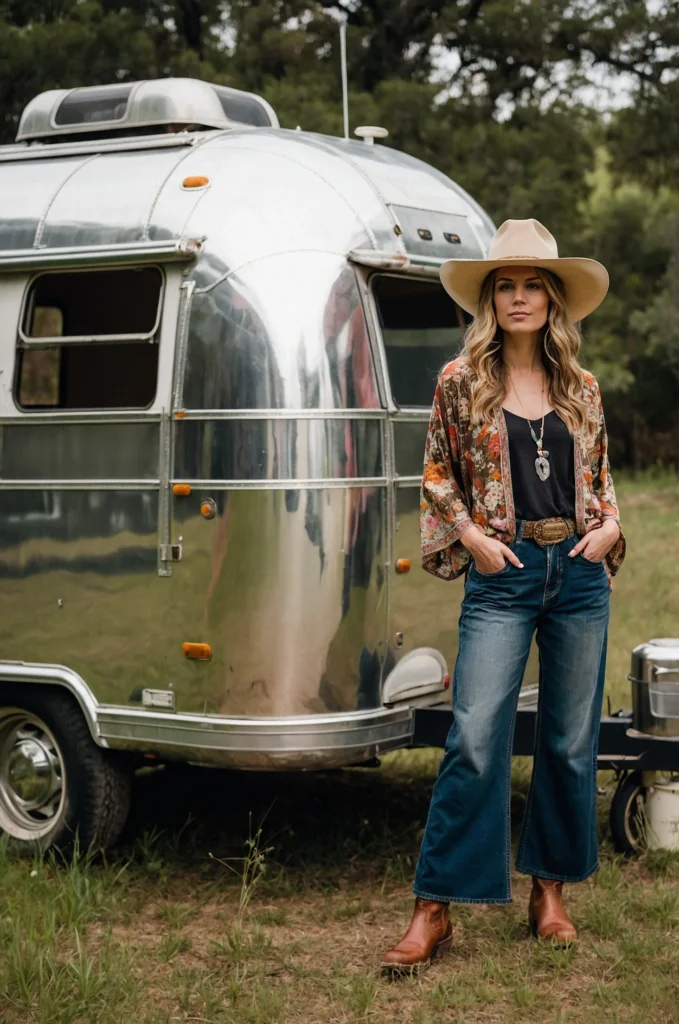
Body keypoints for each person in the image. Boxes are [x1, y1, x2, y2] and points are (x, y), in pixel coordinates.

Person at [381, 218, 626, 973]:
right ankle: (434, 908)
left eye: (532, 286)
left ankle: (548, 892)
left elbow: (601, 477)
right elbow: (432, 473)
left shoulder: (579, 389)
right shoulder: (460, 382)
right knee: (475, 738)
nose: (519, 298)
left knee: (566, 740)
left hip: (578, 575)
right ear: (490, 299)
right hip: (502, 575)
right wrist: (473, 536)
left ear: (553, 301)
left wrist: (612, 524)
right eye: (506, 286)